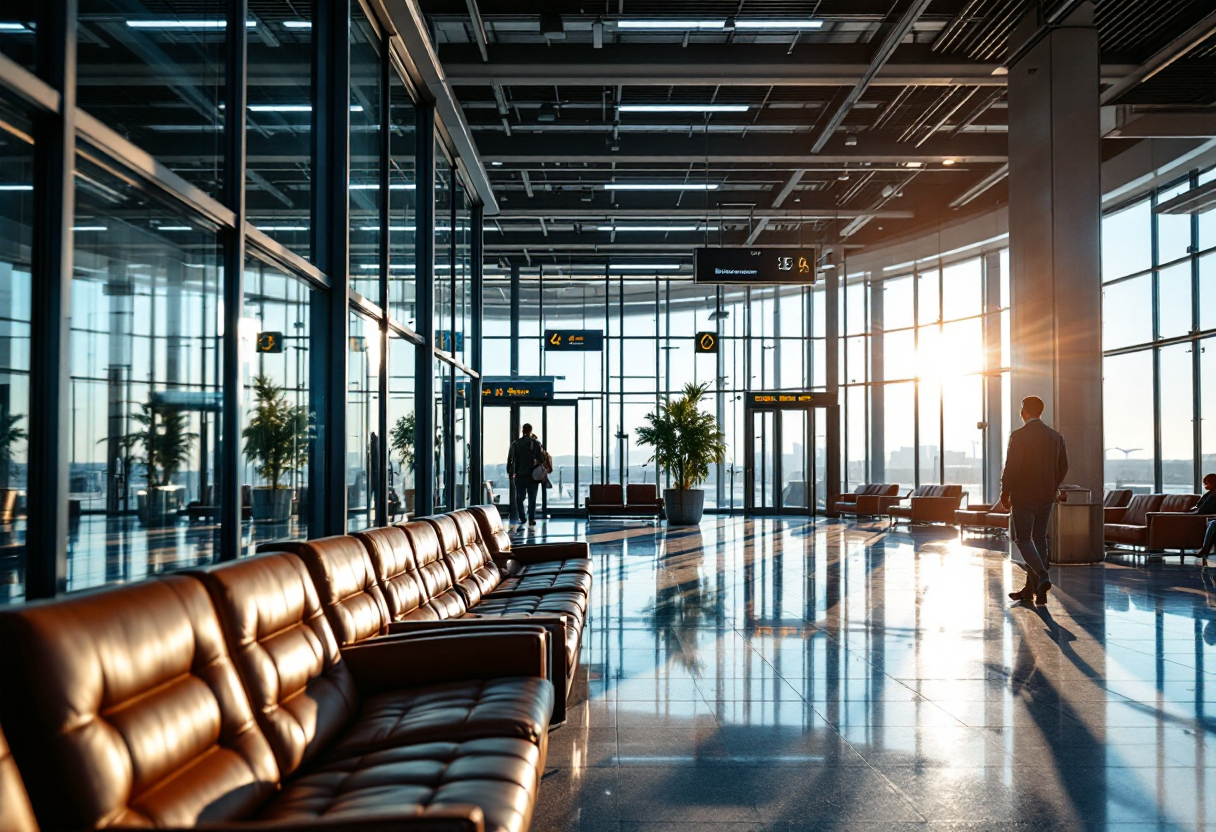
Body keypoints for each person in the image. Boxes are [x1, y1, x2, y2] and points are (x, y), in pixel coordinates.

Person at [1000, 395, 1069, 606]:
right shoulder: (1055, 437)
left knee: (1023, 539)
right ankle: (1034, 592)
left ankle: (1042, 576)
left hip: (1024, 496)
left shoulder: (1020, 436)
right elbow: (1063, 466)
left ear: (1024, 411)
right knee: (1039, 539)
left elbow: (1012, 466)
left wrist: (1005, 492)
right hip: (1046, 496)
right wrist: (1051, 485)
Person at [507, 423, 544, 527]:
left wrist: (510, 471)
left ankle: (522, 518)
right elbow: (541, 459)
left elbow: (510, 459)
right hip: (533, 475)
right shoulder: (536, 443)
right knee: (532, 498)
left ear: (522, 431)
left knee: (519, 497)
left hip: (520, 474)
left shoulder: (516, 443)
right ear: (531, 431)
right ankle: (531, 519)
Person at [1192, 473, 1216, 559]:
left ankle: (1205, 550)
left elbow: (1204, 509)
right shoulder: (1209, 494)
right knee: (1212, 523)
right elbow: (1199, 506)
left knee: (1213, 524)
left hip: (1211, 517)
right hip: (1210, 517)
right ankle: (1205, 550)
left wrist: (1196, 510)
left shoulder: (1213, 495)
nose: (1204, 485)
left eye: (1206, 483)